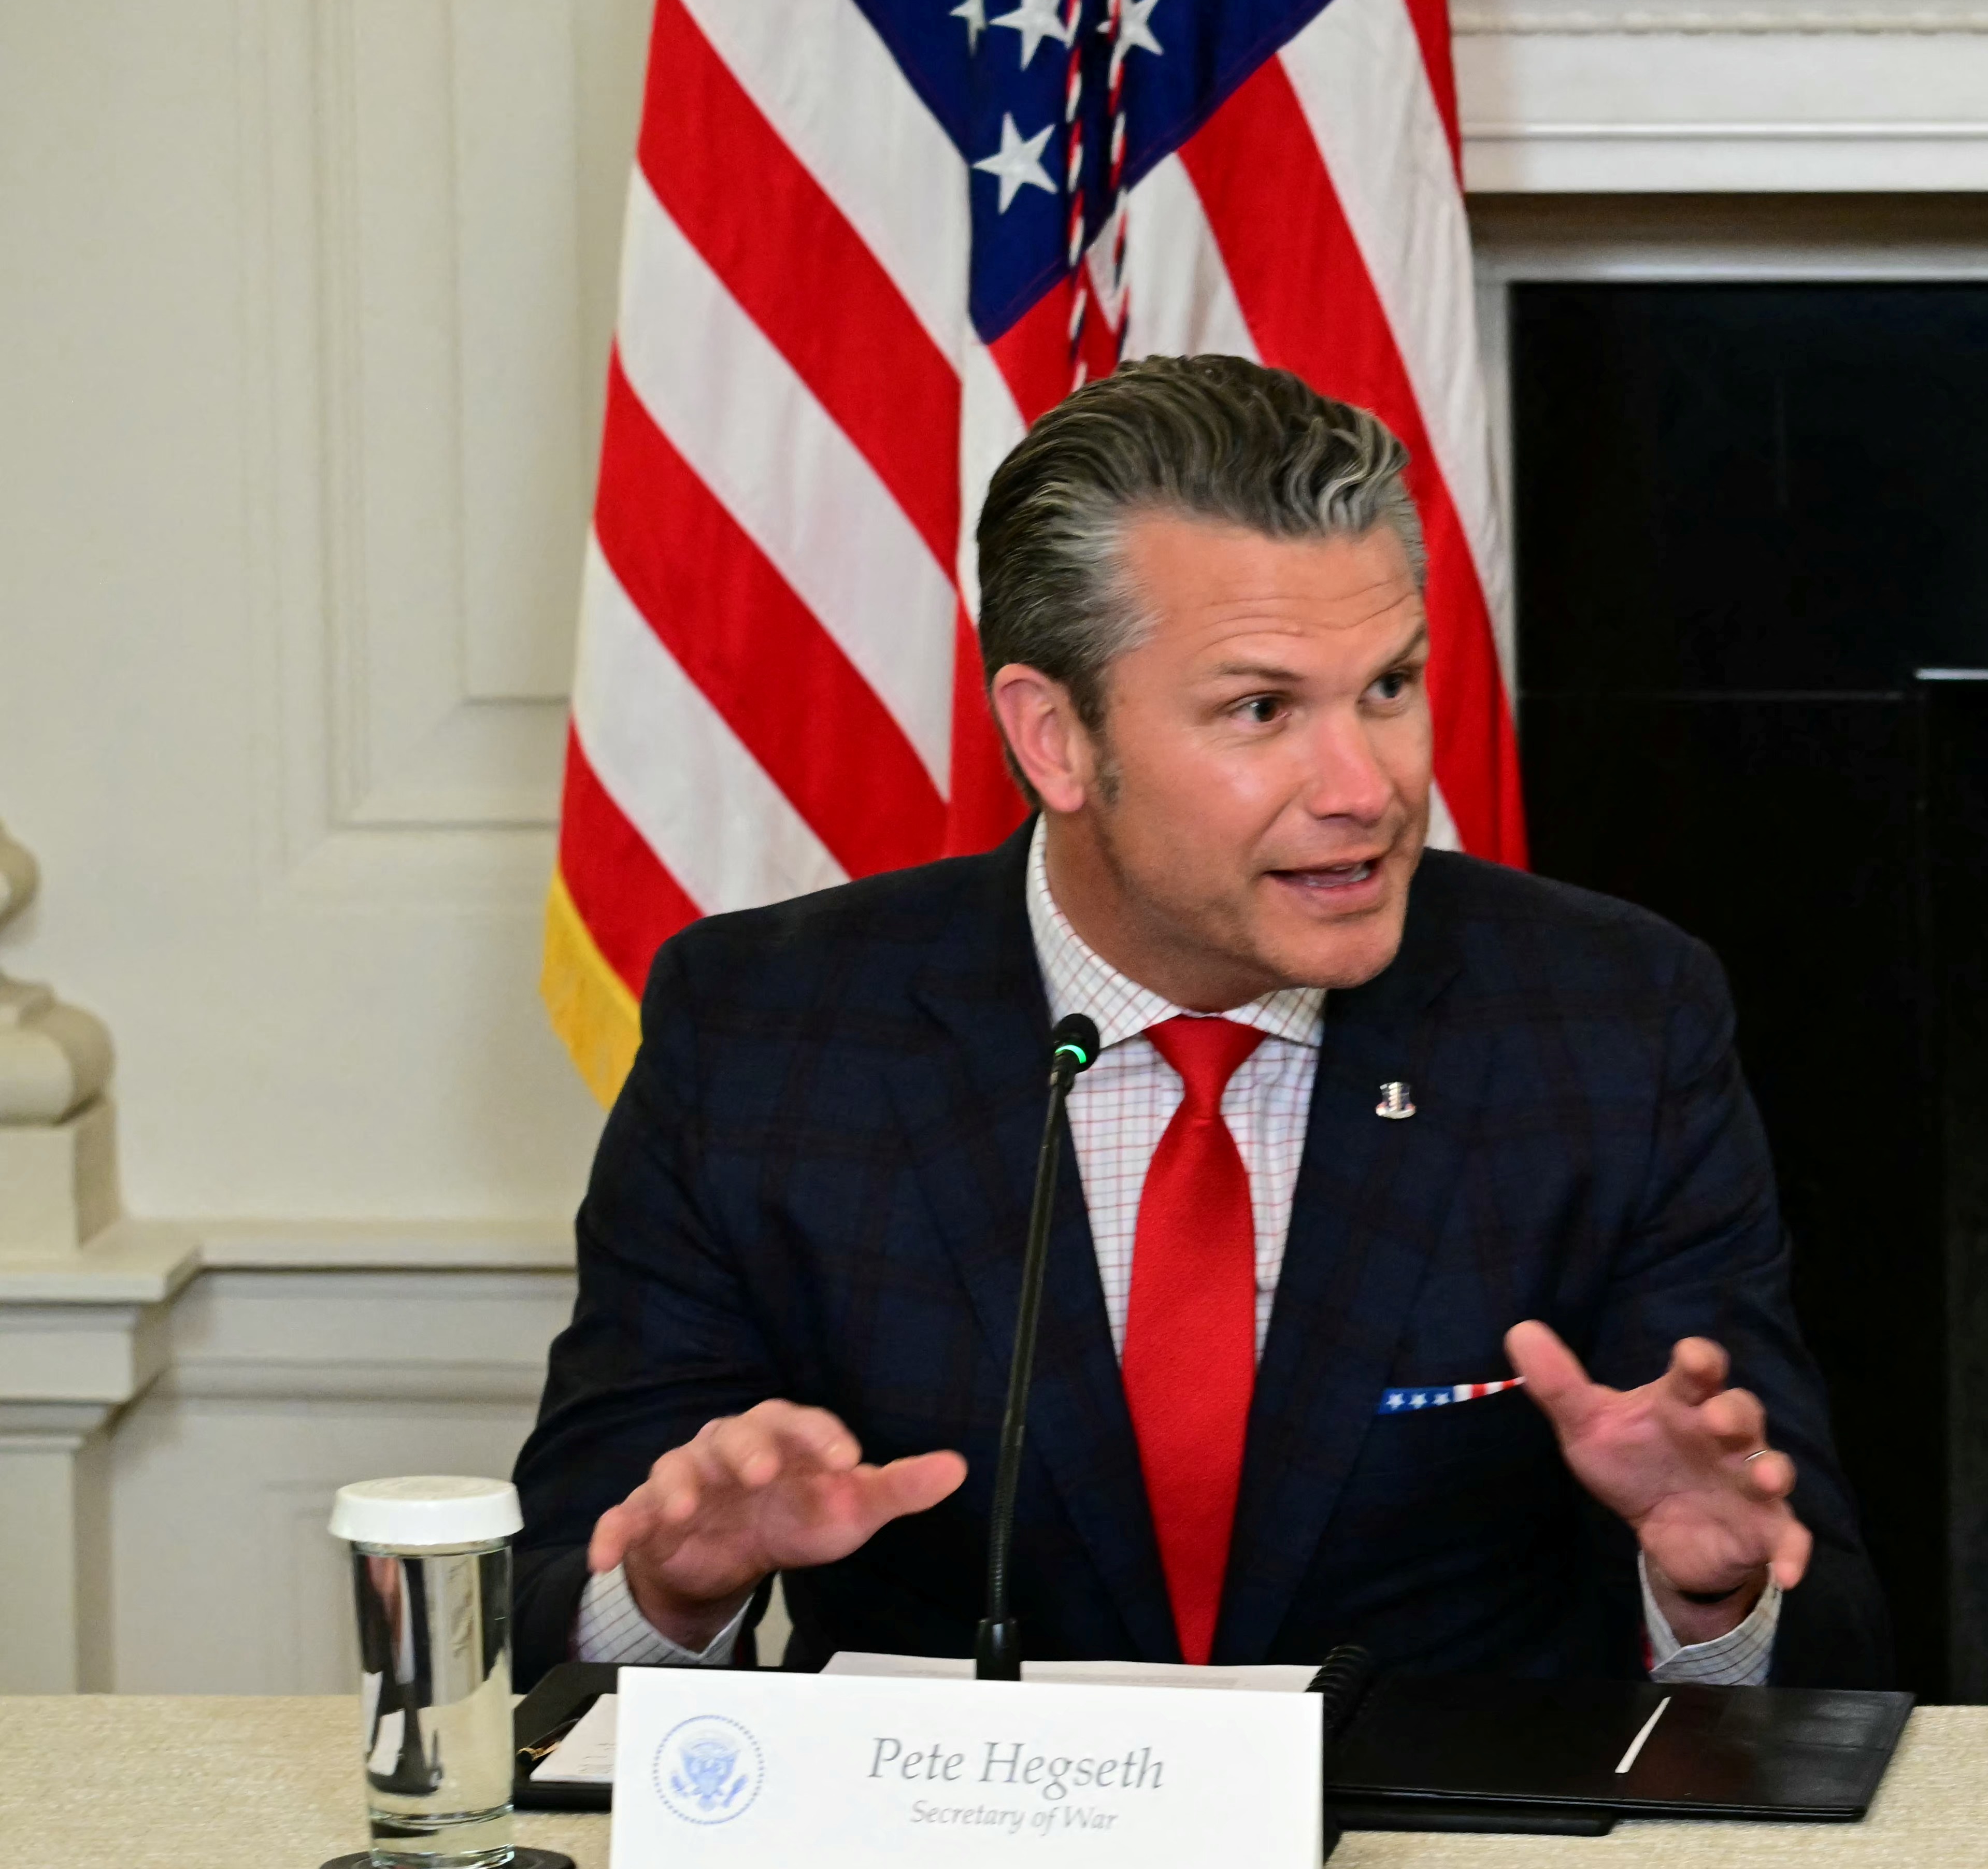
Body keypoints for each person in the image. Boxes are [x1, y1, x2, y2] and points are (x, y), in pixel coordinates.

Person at [513, 355, 1890, 1687]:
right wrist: (670, 1588)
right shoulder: (767, 1034)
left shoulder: (1607, 1021)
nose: (1365, 786)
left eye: (1390, 688)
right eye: (1261, 709)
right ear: (1055, 738)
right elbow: (546, 1618)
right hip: (963, 1830)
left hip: (1435, 1833)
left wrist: (1708, 1594)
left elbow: (1828, 1627)